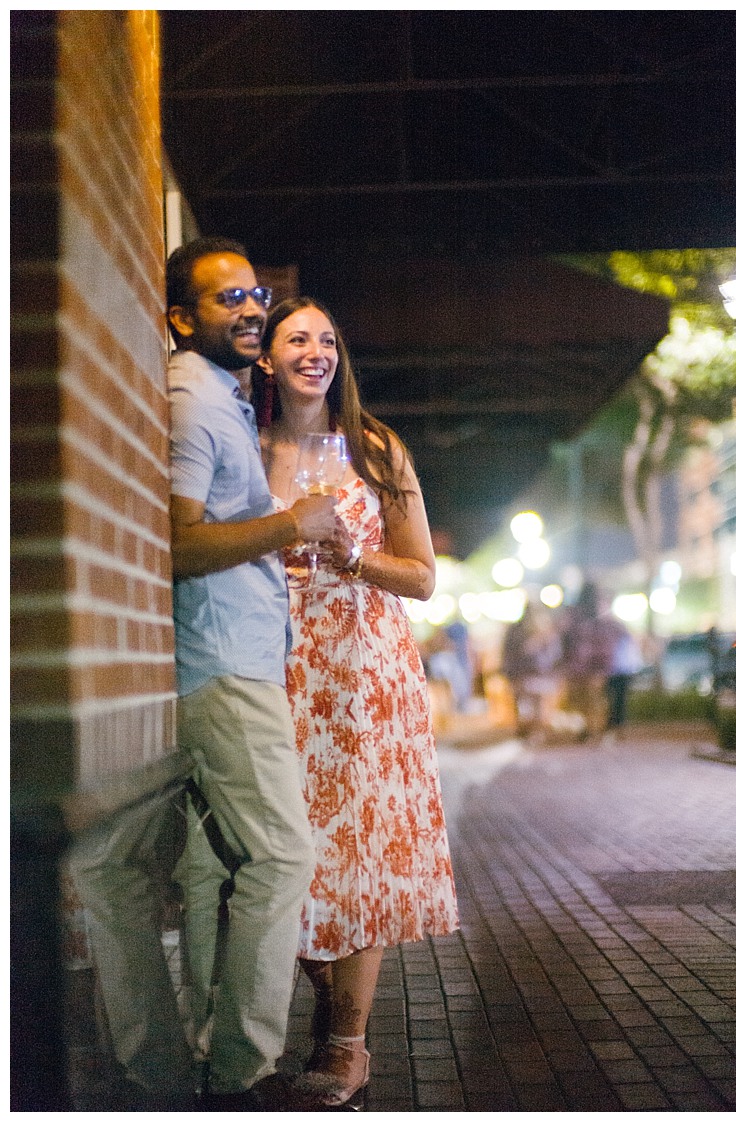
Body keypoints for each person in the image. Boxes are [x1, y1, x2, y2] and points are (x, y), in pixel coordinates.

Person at [254, 295, 459, 1107]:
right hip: (275, 668)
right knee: (288, 854)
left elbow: (422, 577)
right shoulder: (247, 448)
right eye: (297, 338)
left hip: (364, 679)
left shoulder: (376, 449)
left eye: (327, 339)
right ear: (267, 358)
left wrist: (352, 557)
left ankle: (347, 1043)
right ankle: (325, 1011)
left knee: (359, 857)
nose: (315, 351)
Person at [162, 237, 338, 1107]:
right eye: (224, 300)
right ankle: (243, 1068)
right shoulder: (193, 403)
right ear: (181, 319)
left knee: (213, 870)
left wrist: (276, 549)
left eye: (252, 294)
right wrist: (287, 528)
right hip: (225, 669)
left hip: (229, 662)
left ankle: (208, 1051)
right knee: (283, 856)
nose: (247, 309)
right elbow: (178, 541)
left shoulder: (222, 401)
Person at [559, 582, 624, 743]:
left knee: (584, 698)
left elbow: (564, 635)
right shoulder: (601, 611)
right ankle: (593, 728)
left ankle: (588, 728)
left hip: (580, 662)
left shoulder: (574, 613)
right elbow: (617, 632)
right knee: (593, 697)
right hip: (597, 662)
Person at [502, 602, 562, 739]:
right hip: (532, 672)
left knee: (526, 705)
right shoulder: (541, 629)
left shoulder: (519, 629)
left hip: (526, 673)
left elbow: (507, 653)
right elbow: (554, 654)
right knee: (534, 705)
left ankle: (529, 731)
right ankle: (532, 732)